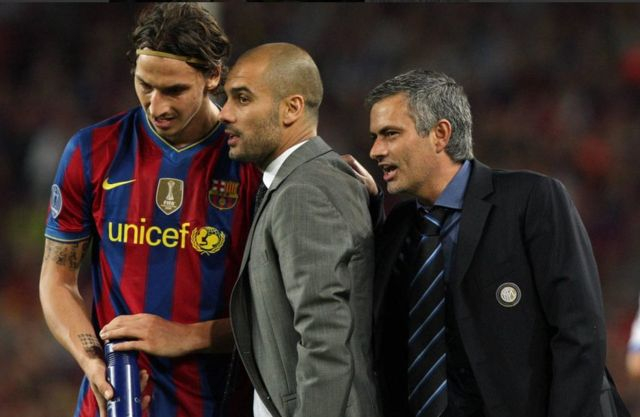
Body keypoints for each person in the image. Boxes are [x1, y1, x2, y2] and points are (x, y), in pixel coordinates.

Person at [358, 69, 629, 417]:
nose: (375, 150)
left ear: (440, 134)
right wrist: (362, 208)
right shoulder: (398, 226)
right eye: (375, 137)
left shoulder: (531, 200)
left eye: (390, 134)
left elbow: (579, 334)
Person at [39, 4, 259, 417]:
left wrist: (188, 336)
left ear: (213, 76)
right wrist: (92, 360)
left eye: (174, 90)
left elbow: (279, 313)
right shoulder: (92, 151)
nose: (157, 106)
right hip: (114, 403)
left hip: (217, 402)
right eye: (145, 86)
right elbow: (58, 280)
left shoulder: (251, 162)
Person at [219, 43, 380, 417]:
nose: (224, 113)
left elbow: (326, 336)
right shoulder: (297, 183)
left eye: (242, 98)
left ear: (291, 108)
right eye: (226, 98)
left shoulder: (304, 191)